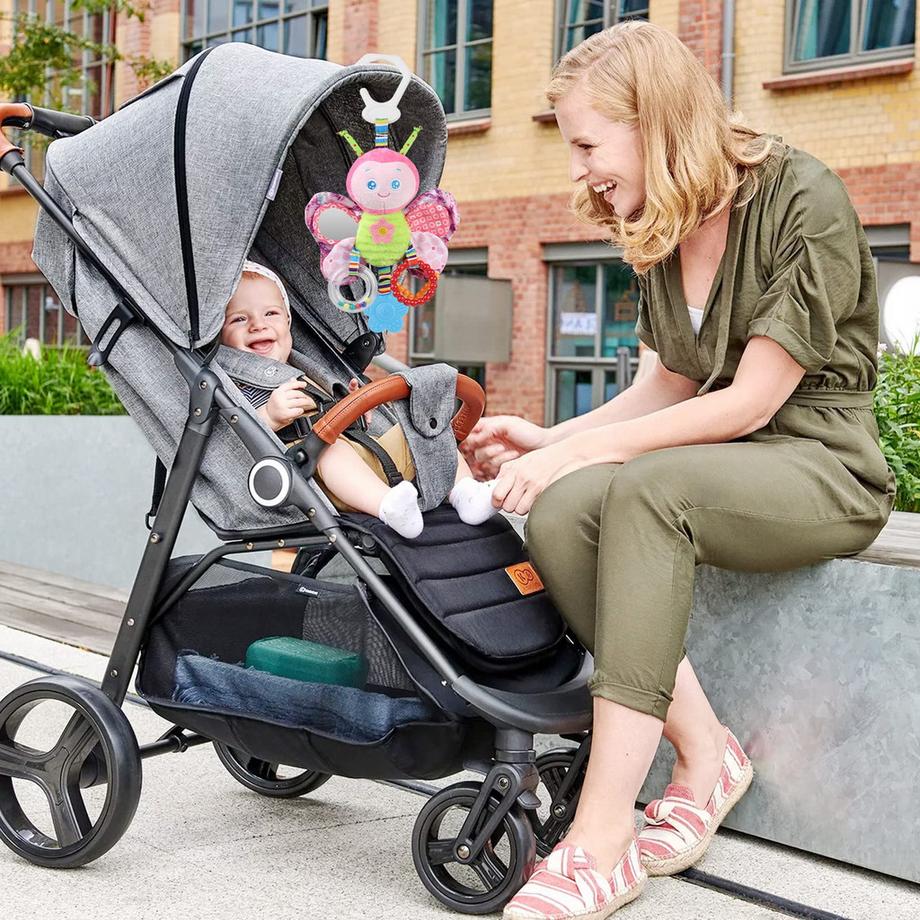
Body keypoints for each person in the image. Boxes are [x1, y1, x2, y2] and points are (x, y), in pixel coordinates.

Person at [461, 21, 896, 920]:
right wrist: (551, 442)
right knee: (564, 510)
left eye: (588, 145)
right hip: (716, 463)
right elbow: (668, 385)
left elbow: (750, 403)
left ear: (653, 122)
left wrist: (579, 451)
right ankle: (705, 754)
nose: (577, 170)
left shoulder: (802, 198)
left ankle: (601, 837)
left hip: (821, 465)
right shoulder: (661, 219)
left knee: (646, 490)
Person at [222, 261, 498, 538]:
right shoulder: (234, 385)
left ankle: (465, 493)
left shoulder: (307, 371)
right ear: (220, 334)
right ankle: (388, 506)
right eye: (239, 319)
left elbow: (346, 425)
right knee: (328, 450)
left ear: (288, 322)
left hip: (364, 459)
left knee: (427, 429)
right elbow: (224, 445)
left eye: (270, 313)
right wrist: (268, 417)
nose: (258, 325)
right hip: (311, 475)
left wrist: (355, 409)